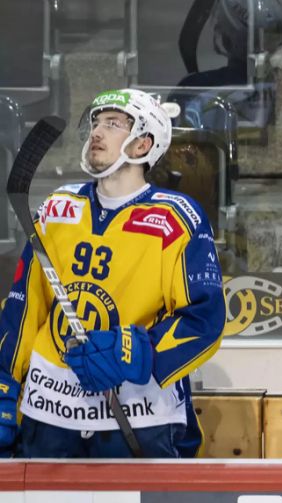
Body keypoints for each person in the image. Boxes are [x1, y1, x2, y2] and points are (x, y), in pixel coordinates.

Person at [0, 88, 225, 458]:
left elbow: (205, 319)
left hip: (141, 416)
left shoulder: (178, 217)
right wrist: (5, 381)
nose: (97, 133)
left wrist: (140, 351)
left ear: (142, 145)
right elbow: (24, 310)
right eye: (95, 123)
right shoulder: (58, 207)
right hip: (50, 412)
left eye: (113, 124)